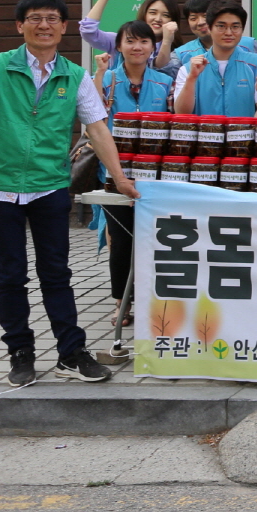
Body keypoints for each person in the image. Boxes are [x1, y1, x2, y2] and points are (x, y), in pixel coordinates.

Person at [0, 0, 138, 386]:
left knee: (56, 273)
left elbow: (98, 129)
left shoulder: (75, 74)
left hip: (49, 185)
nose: (44, 25)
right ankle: (20, 352)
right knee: (11, 273)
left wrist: (119, 177)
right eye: (35, 18)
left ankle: (71, 352)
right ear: (20, 26)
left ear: (64, 28)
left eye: (53, 19)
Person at [91, 19, 173, 327]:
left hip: (157, 176)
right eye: (130, 41)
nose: (137, 47)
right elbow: (91, 112)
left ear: (153, 47)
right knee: (122, 240)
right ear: (119, 46)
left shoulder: (165, 82)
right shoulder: (108, 78)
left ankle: (156, 302)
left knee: (158, 240)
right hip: (115, 174)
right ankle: (120, 304)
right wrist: (99, 72)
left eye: (143, 42)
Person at [172, 1, 257, 117]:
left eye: (235, 27)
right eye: (221, 26)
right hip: (205, 134)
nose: (228, 33)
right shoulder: (188, 69)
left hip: (245, 134)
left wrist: (249, 132)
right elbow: (181, 113)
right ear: (209, 28)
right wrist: (192, 78)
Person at [79, 0, 180, 73]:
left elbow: (163, 70)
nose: (158, 19)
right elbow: (88, 31)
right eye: (152, 13)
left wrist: (167, 41)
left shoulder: (179, 51)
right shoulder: (122, 39)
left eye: (166, 15)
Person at [171, 0, 257, 65]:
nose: (200, 22)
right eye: (193, 18)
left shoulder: (249, 45)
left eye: (205, 16)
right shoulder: (181, 54)